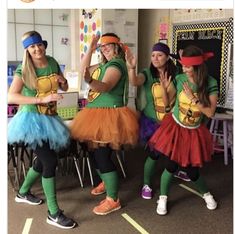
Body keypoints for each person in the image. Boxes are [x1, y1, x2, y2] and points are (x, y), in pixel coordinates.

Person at [8, 31, 77, 229]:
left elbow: (63, 87)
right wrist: (41, 99)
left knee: (44, 159)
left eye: (39, 44)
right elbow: (11, 97)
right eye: (32, 47)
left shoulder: (52, 61)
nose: (37, 49)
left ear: (43, 45)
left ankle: (22, 193)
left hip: (50, 118)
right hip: (30, 120)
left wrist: (63, 83)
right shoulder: (24, 69)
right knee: (50, 160)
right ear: (27, 50)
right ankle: (53, 213)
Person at [70, 33, 139, 215]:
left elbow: (105, 86)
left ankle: (113, 199)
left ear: (117, 46)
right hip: (95, 114)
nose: (104, 48)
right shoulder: (103, 64)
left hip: (110, 116)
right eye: (103, 46)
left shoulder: (116, 64)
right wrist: (91, 47)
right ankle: (107, 182)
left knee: (102, 156)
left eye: (108, 45)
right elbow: (82, 69)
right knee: (93, 154)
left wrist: (89, 81)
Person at [149, 45, 218, 215]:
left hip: (194, 131)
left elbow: (210, 112)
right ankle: (163, 198)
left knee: (191, 170)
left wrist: (193, 98)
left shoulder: (210, 83)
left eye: (187, 66)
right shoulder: (180, 79)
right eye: (183, 66)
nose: (184, 69)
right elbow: (168, 104)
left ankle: (206, 194)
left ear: (197, 66)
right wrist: (165, 89)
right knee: (171, 165)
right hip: (176, 127)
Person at [125, 42, 177, 199]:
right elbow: (134, 81)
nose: (155, 58)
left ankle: (176, 169)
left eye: (159, 55)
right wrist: (132, 68)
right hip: (152, 122)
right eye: (153, 55)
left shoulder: (177, 74)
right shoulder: (147, 73)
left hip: (172, 121)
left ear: (167, 58)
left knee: (173, 152)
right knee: (154, 154)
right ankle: (146, 184)